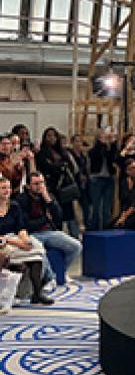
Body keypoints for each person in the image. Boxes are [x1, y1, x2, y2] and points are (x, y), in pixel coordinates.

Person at [17, 172, 82, 286]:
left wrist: (48, 200)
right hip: (31, 234)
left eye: (42, 183)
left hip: (49, 232)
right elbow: (26, 224)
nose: (40, 186)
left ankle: (61, 272)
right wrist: (46, 219)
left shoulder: (47, 196)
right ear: (28, 186)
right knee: (39, 250)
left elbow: (58, 217)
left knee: (76, 246)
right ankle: (50, 279)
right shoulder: (21, 200)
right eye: (36, 184)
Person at [0, 176, 53, 305]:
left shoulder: (14, 206)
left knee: (36, 249)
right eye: (3, 188)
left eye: (8, 188)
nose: (7, 191)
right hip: (3, 242)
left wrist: (25, 240)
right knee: (30, 252)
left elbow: (21, 228)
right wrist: (19, 243)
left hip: (15, 237)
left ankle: (37, 293)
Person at [35, 127, 79, 237]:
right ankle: (57, 235)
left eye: (54, 136)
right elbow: (46, 167)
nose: (52, 138)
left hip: (65, 187)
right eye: (49, 136)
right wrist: (59, 166)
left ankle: (74, 237)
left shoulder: (63, 152)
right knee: (56, 213)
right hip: (52, 188)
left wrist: (59, 166)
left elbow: (71, 166)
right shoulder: (42, 153)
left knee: (70, 214)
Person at [87, 128, 118, 230]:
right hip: (96, 178)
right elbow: (94, 155)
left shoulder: (110, 148)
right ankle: (94, 229)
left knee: (107, 207)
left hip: (109, 178)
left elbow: (113, 158)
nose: (105, 138)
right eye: (102, 137)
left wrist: (112, 144)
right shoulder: (94, 149)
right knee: (96, 207)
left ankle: (106, 229)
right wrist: (101, 143)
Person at [108, 158, 135, 229]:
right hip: (127, 212)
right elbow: (124, 201)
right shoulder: (124, 182)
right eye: (132, 168)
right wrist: (123, 215)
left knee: (124, 224)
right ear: (127, 171)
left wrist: (124, 217)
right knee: (110, 225)